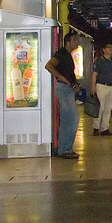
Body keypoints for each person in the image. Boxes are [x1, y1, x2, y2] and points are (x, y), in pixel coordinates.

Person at [45, 31, 81, 159]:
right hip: (63, 89)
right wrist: (61, 78)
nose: (77, 42)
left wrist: (75, 83)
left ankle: (64, 148)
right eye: (75, 40)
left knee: (68, 119)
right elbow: (49, 66)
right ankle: (65, 149)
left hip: (68, 89)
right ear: (68, 42)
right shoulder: (61, 53)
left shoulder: (68, 55)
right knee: (71, 119)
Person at [91, 43, 112, 136]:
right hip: (101, 86)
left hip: (111, 86)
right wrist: (93, 87)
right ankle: (96, 127)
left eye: (111, 48)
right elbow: (94, 74)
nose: (110, 50)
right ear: (103, 49)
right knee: (100, 108)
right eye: (107, 48)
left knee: (108, 108)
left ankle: (104, 128)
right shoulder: (99, 61)